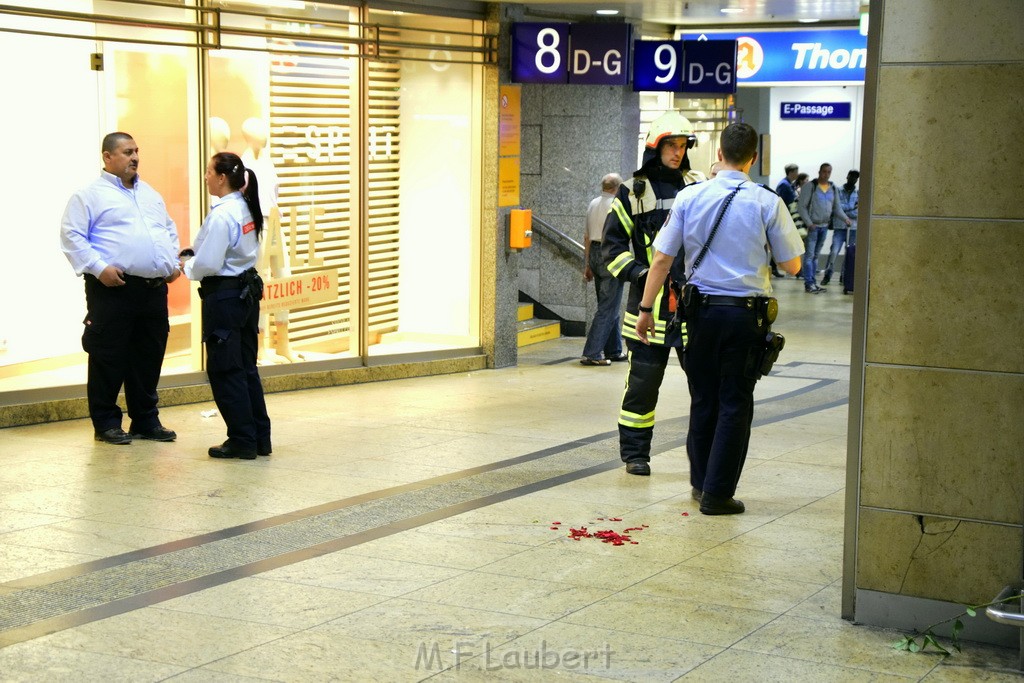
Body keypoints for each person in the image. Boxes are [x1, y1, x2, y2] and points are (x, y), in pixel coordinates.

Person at [635, 122, 804, 514]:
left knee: (704, 398)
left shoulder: (690, 196)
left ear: (719, 154)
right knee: (735, 401)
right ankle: (717, 493)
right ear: (753, 158)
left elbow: (661, 259)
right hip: (746, 317)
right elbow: (792, 265)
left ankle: (700, 483)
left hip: (699, 315)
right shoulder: (766, 202)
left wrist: (646, 310)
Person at [60, 132, 180, 445]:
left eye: (137, 151)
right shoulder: (89, 195)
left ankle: (145, 421)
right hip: (114, 289)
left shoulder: (150, 194)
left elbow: (168, 230)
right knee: (108, 357)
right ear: (107, 157)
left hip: (153, 291)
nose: (135, 157)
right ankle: (106, 423)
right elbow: (72, 236)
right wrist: (99, 269)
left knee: (148, 357)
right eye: (127, 152)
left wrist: (171, 265)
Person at [602, 111, 705, 476]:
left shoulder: (698, 186)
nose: (677, 153)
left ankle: (704, 459)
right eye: (671, 146)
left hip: (692, 308)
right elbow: (611, 250)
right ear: (655, 147)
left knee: (704, 388)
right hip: (646, 310)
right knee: (642, 386)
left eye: (682, 146)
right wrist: (644, 275)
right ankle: (635, 454)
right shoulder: (633, 191)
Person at [182, 152, 272, 460]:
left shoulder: (223, 214)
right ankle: (259, 437)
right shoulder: (245, 207)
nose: (205, 176)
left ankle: (242, 439)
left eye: (209, 172)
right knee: (245, 368)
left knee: (225, 369)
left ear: (222, 177)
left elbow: (208, 262)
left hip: (225, 297)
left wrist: (186, 267)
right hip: (245, 295)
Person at [581, 173, 625, 366]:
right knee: (607, 308)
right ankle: (592, 353)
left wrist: (588, 264)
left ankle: (614, 350)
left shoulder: (593, 203)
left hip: (596, 255)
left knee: (610, 304)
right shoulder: (616, 205)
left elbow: (586, 237)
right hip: (611, 255)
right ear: (617, 187)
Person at [797, 163, 850, 293]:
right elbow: (801, 207)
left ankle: (813, 282)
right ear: (819, 171)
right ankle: (808, 283)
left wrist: (845, 218)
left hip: (824, 226)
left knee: (816, 255)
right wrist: (809, 223)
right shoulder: (811, 186)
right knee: (809, 255)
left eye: (829, 172)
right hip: (813, 227)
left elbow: (836, 207)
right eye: (824, 171)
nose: (826, 174)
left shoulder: (833, 188)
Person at [822, 170, 859, 286]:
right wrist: (850, 208)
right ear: (847, 176)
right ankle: (827, 275)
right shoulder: (837, 191)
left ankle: (844, 276)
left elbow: (858, 212)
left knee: (849, 254)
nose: (853, 179)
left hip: (853, 228)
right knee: (834, 252)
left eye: (856, 178)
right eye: (851, 176)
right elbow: (835, 207)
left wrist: (843, 210)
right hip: (839, 227)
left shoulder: (858, 193)